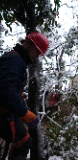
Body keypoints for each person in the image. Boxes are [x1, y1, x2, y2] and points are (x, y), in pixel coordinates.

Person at [0, 32, 49, 160]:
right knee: (23, 141)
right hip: (2, 112)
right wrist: (24, 113)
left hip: (5, 111)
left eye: (40, 53)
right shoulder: (14, 60)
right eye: (37, 51)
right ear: (27, 44)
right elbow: (6, 92)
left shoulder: (17, 61)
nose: (37, 56)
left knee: (23, 139)